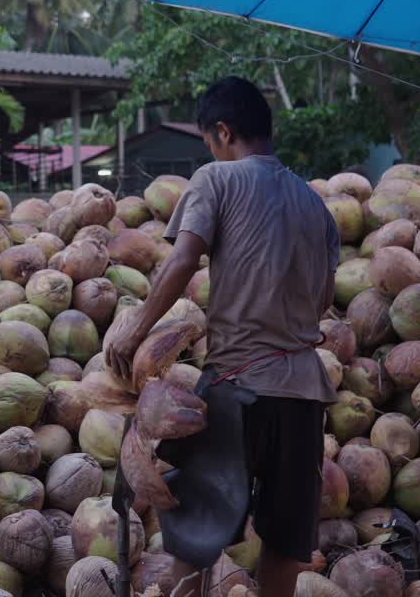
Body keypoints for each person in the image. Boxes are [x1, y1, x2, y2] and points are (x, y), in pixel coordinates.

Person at [106, 76, 340, 597]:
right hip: (303, 397)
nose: (210, 150)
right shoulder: (316, 206)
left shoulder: (216, 179)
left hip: (238, 390)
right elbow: (323, 301)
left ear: (224, 132)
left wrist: (134, 331)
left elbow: (184, 259)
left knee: (194, 540)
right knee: (282, 546)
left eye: (209, 141)